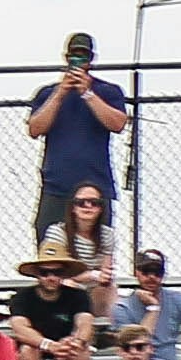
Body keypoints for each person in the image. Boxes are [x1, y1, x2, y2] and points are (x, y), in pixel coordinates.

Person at [28, 36, 128, 253]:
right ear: (66, 58)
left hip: (95, 187)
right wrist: (61, 93)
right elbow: (35, 128)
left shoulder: (108, 91)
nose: (78, 60)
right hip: (57, 187)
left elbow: (118, 123)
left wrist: (88, 94)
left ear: (91, 60)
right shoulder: (47, 93)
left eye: (83, 56)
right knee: (49, 253)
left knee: (94, 255)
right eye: (74, 55)